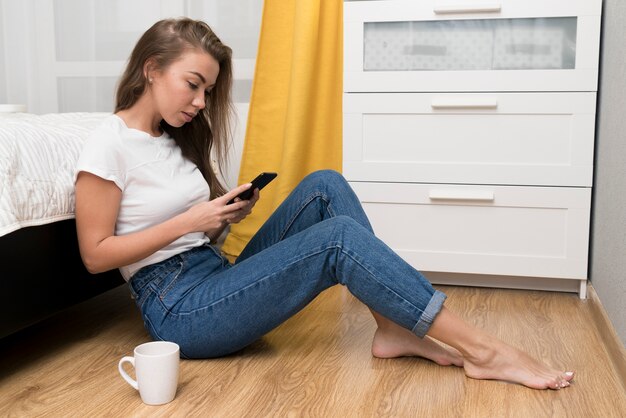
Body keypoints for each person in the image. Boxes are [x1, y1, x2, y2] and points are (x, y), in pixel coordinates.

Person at [74, 17, 574, 391]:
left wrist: (218, 221)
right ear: (152, 69)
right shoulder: (108, 144)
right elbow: (96, 254)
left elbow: (190, 234)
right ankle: (485, 350)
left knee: (324, 184)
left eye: (207, 89)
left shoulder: (171, 140)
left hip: (212, 272)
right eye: (193, 85)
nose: (201, 102)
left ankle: (393, 329)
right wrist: (191, 219)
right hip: (178, 308)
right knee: (338, 241)